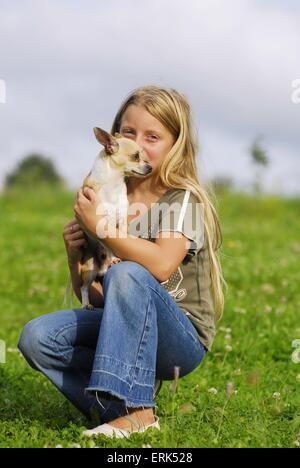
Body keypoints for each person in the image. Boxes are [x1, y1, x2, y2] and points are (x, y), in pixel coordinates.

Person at [18, 85, 225, 438]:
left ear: (176, 144)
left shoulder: (182, 200)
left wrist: (100, 226)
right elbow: (98, 297)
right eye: (130, 133)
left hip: (178, 339)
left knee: (129, 272)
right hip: (122, 328)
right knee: (38, 337)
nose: (139, 143)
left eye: (153, 136)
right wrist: (74, 259)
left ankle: (133, 410)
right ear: (113, 140)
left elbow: (159, 265)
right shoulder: (111, 197)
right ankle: (127, 410)